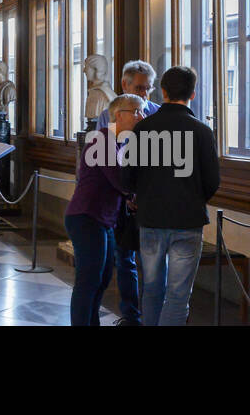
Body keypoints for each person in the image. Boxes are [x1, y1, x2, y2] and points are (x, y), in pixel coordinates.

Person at [123, 65, 220, 326]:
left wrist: (140, 195)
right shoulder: (201, 131)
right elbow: (212, 181)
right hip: (188, 220)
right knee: (178, 296)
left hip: (151, 218)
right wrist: (192, 198)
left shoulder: (143, 130)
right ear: (193, 94)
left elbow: (128, 176)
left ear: (163, 91)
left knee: (152, 289)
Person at [65, 94, 143, 326]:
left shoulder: (117, 142)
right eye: (136, 111)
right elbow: (120, 180)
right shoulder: (103, 140)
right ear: (119, 115)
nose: (142, 116)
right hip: (86, 217)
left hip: (103, 220)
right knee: (88, 280)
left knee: (102, 278)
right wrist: (136, 192)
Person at [97, 58, 162, 325]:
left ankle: (153, 317)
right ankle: (131, 316)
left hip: (149, 198)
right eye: (139, 88)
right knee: (125, 260)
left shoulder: (156, 113)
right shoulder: (108, 114)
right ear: (124, 85)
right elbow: (107, 156)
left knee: (154, 263)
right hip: (122, 197)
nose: (144, 94)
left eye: (148, 88)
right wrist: (127, 194)